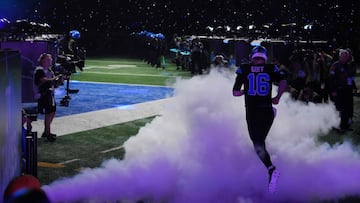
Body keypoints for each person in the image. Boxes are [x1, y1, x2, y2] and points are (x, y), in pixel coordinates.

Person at [232, 46, 287, 193]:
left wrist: (246, 90)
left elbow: (235, 93)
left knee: (257, 145)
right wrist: (277, 97)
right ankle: (269, 169)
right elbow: (283, 82)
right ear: (265, 58)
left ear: (252, 57)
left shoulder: (244, 68)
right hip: (267, 111)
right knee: (259, 143)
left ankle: (271, 170)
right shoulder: (271, 68)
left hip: (253, 112)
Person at [33, 53, 62, 142]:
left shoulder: (49, 70)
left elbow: (52, 83)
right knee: (48, 113)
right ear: (43, 60)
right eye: (48, 60)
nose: (50, 61)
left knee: (52, 112)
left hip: (49, 94)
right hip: (43, 94)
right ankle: (47, 133)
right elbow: (43, 81)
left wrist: (57, 82)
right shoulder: (39, 70)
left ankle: (46, 131)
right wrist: (55, 80)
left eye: (50, 60)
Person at [328, 49, 357, 132]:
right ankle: (338, 125)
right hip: (339, 90)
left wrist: (354, 87)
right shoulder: (335, 65)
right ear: (340, 56)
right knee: (340, 108)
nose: (344, 58)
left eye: (346, 56)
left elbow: (350, 77)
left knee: (348, 108)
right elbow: (331, 78)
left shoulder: (348, 65)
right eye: (343, 56)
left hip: (348, 90)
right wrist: (333, 90)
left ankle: (345, 125)